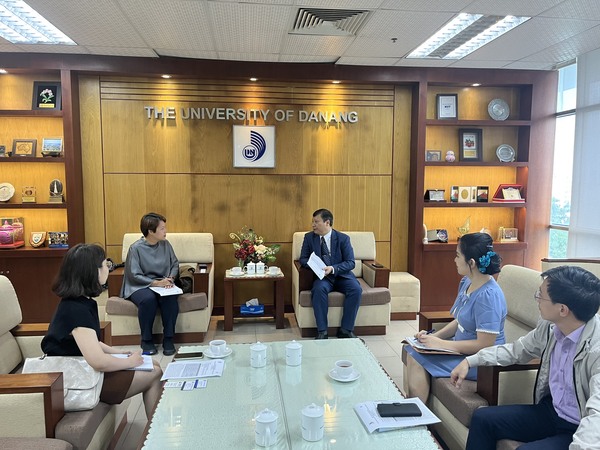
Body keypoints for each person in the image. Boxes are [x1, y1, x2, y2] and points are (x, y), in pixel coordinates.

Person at [451, 265, 600, 450]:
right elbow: (517, 350)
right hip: (551, 412)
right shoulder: (550, 327)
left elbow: (597, 414)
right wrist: (471, 360)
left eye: (541, 296)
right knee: (483, 418)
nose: (537, 299)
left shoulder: (596, 349)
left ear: (562, 309)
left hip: (580, 425)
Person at [42, 244, 163, 420]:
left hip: (83, 367)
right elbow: (98, 362)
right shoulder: (76, 310)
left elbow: (91, 342)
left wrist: (120, 353)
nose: (108, 268)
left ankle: (155, 428)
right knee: (155, 372)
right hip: (76, 377)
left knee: (154, 364)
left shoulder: (80, 302)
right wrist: (129, 361)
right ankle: (156, 431)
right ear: (92, 272)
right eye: (105, 264)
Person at [405, 232, 506, 403]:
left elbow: (485, 344)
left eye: (458, 256)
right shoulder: (467, 282)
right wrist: (431, 338)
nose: (454, 260)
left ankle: (416, 414)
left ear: (471, 263)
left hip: (480, 362)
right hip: (460, 350)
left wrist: (442, 344)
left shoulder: (488, 296)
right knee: (412, 348)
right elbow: (460, 320)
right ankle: (411, 406)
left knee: (416, 358)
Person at [121, 212, 180, 356]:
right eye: (162, 229)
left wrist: (170, 279)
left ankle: (168, 339)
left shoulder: (166, 244)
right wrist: (156, 283)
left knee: (170, 298)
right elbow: (134, 275)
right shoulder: (135, 248)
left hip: (163, 282)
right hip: (140, 285)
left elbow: (174, 263)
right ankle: (146, 340)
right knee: (148, 299)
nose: (165, 231)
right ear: (151, 231)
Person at [299, 208, 362, 339]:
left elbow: (350, 263)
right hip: (323, 278)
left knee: (356, 289)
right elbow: (303, 259)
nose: (313, 225)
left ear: (327, 222)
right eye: (312, 222)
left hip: (341, 276)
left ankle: (346, 330)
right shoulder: (309, 237)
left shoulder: (343, 238)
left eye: (316, 222)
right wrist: (315, 265)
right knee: (318, 290)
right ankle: (322, 331)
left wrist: (333, 268)